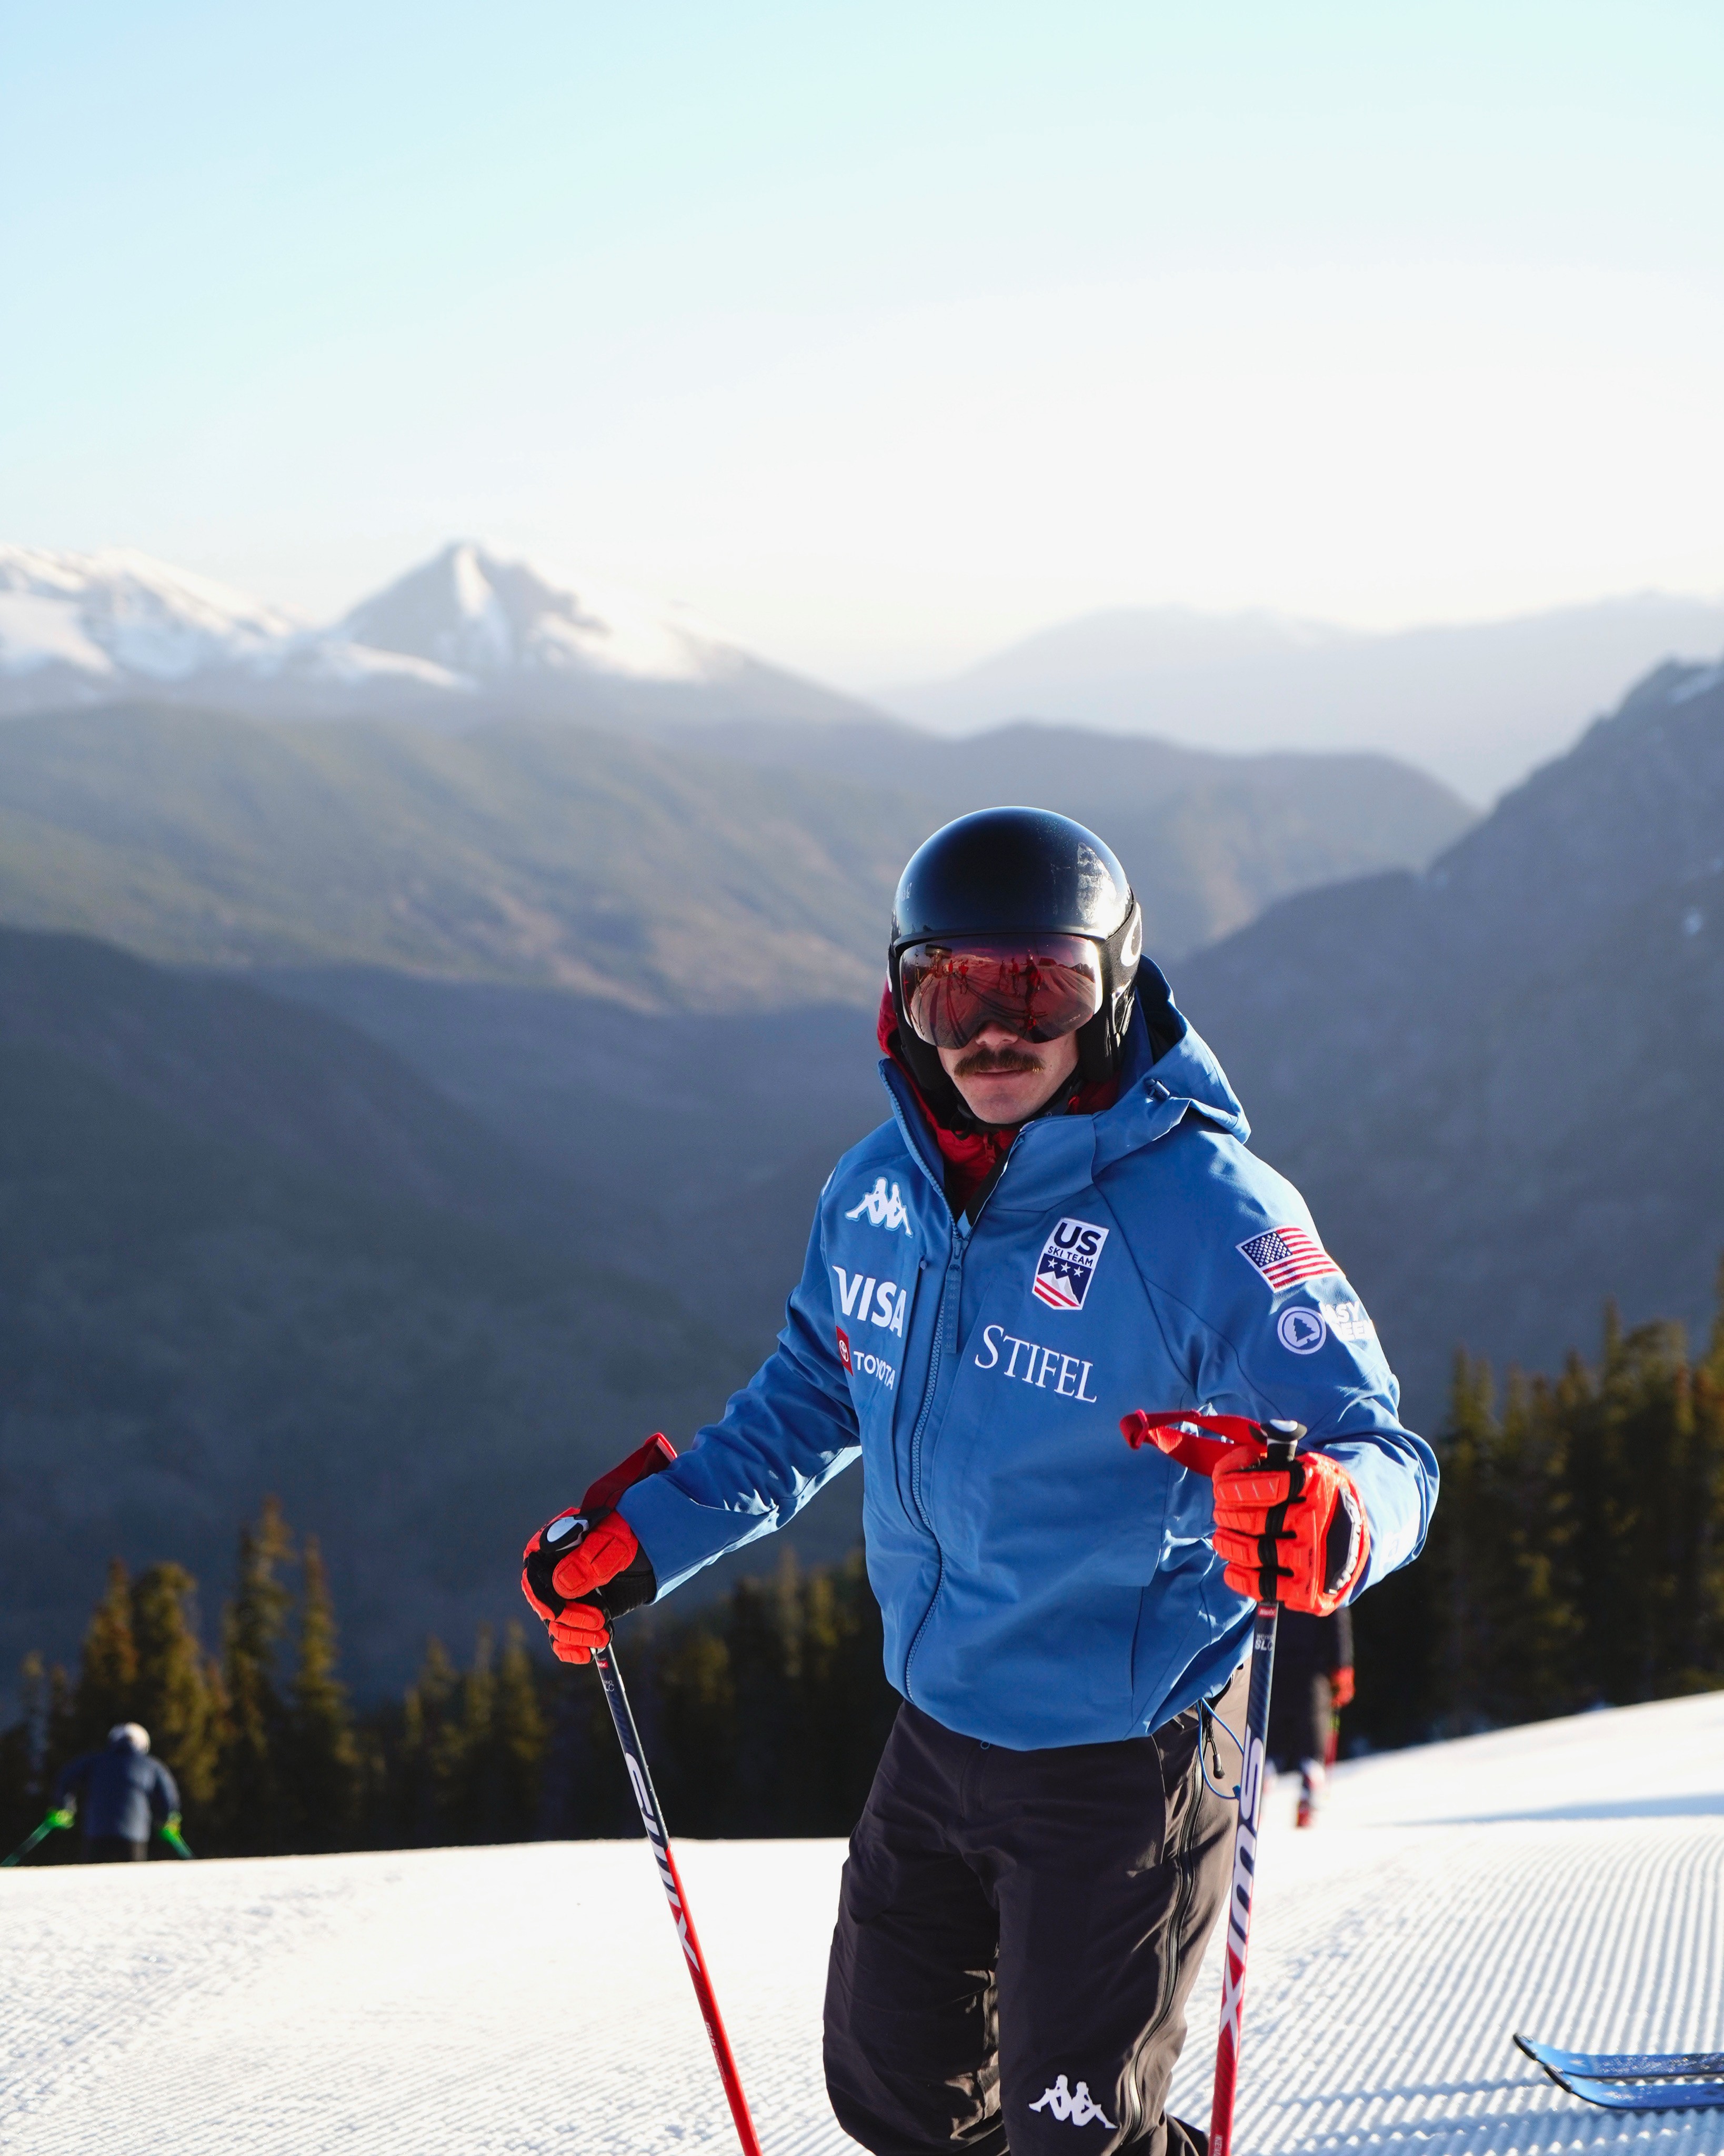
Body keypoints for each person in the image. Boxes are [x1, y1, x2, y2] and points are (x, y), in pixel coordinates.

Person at [523, 807, 1437, 2156]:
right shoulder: (872, 1193)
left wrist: (1337, 1516)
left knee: (1075, 2137)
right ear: (902, 1002)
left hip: (1129, 1756)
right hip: (937, 1730)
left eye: (1042, 987)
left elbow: (1381, 1446)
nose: (995, 1031)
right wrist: (641, 1540)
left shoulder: (1207, 1210)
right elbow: (806, 1403)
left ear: (1111, 991)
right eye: (955, 991)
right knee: (896, 2101)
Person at [1265, 1607, 1356, 1827]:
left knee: (1270, 1748)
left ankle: (1253, 1799)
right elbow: (1338, 1612)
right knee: (1312, 1748)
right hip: (1313, 1670)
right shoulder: (1327, 1573)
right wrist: (1342, 1666)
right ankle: (1309, 1799)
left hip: (1272, 1664)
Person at [53, 1722, 179, 1862]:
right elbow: (168, 1797)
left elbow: (66, 1779)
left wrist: (64, 1807)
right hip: (135, 1835)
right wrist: (167, 1820)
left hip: (97, 1832)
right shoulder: (152, 1766)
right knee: (131, 1879)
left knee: (94, 1879)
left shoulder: (95, 1761)